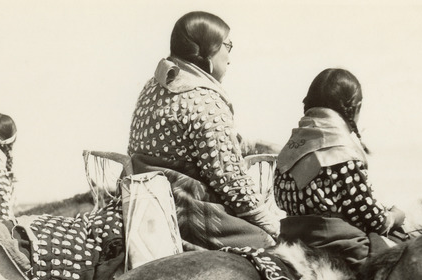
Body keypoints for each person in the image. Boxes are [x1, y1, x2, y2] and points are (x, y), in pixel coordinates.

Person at [128, 11, 278, 250]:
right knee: (271, 246)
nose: (229, 57)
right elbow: (230, 180)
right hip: (185, 207)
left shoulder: (156, 85)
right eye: (227, 46)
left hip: (146, 202)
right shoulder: (204, 99)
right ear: (209, 48)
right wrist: (270, 223)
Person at [274, 68, 405, 267]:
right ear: (355, 107)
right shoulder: (341, 152)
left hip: (292, 242)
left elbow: (280, 201)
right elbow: (372, 219)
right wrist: (394, 217)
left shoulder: (289, 150)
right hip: (338, 247)